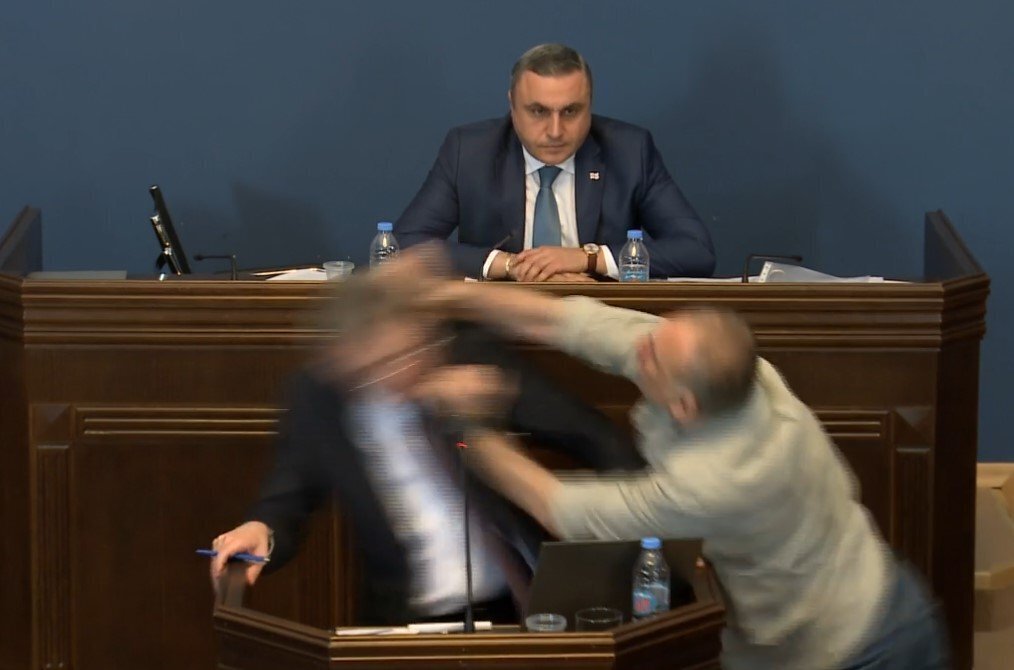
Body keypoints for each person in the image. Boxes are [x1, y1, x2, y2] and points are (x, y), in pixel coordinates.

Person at [418, 278, 950, 669]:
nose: (639, 346)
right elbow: (556, 320)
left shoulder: (714, 483)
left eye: (651, 356)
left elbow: (553, 504)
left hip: (859, 650)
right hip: (870, 591)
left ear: (683, 406)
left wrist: (465, 426)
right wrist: (447, 295)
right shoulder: (731, 372)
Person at [207, 267, 642, 625]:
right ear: (344, 362)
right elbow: (290, 494)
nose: (404, 370)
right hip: (406, 621)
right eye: (378, 366)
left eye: (412, 351)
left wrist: (642, 524)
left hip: (517, 607)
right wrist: (262, 529)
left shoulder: (468, 355)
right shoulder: (318, 396)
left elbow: (593, 436)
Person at [394, 43, 715, 282]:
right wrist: (512, 266)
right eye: (538, 111)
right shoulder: (470, 151)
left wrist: (587, 259)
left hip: (602, 320)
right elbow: (403, 246)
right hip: (497, 324)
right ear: (512, 105)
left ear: (590, 105)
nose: (556, 131)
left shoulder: (630, 151)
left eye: (571, 111)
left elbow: (695, 250)